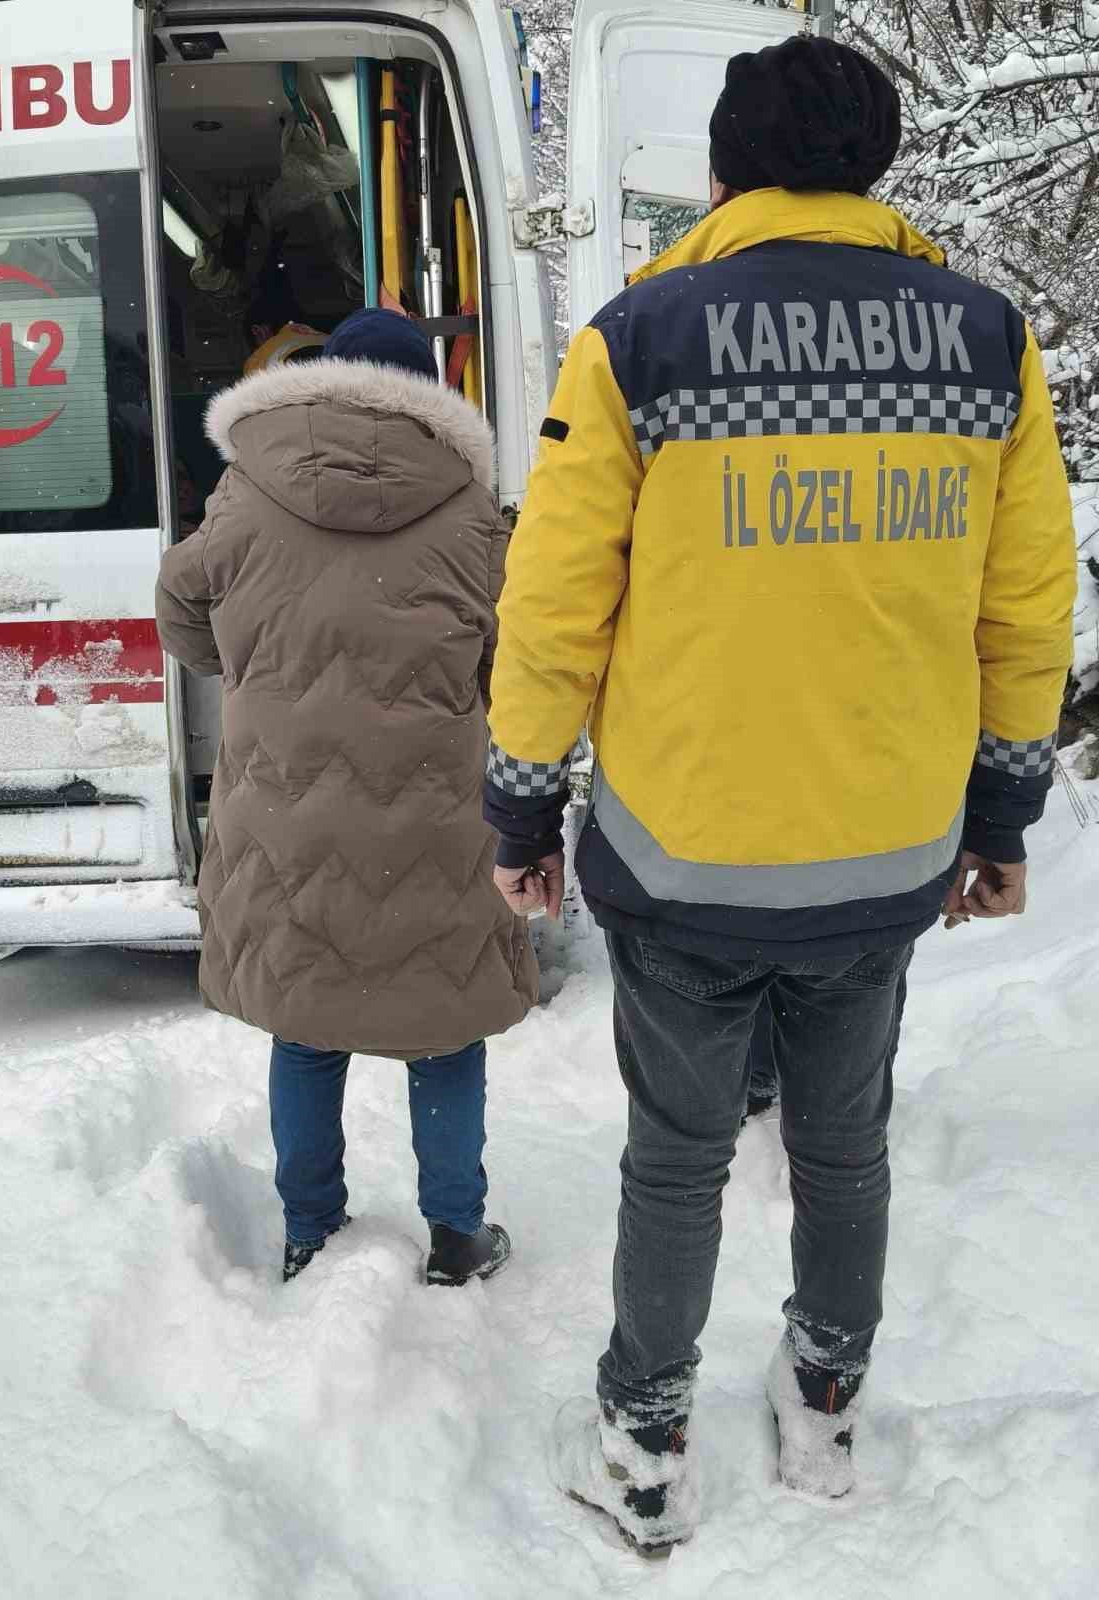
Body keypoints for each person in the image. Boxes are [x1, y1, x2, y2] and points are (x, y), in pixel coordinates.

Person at [484, 35, 1076, 1555]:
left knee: (677, 1155)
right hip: (882, 858)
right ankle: (823, 1405)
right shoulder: (986, 340)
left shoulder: (640, 339)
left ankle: (644, 1438)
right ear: (879, 164)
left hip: (679, 854)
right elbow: (1026, 606)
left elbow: (556, 607)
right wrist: (1001, 815)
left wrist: (518, 808)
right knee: (845, 1143)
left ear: (724, 170)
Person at [156, 306, 537, 1288]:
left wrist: (246, 671)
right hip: (437, 812)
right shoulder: (469, 509)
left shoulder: (249, 491)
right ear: (429, 393)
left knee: (306, 1020)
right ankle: (456, 1235)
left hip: (284, 809)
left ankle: (311, 1229)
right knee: (443, 1024)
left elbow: (179, 599)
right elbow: (512, 656)